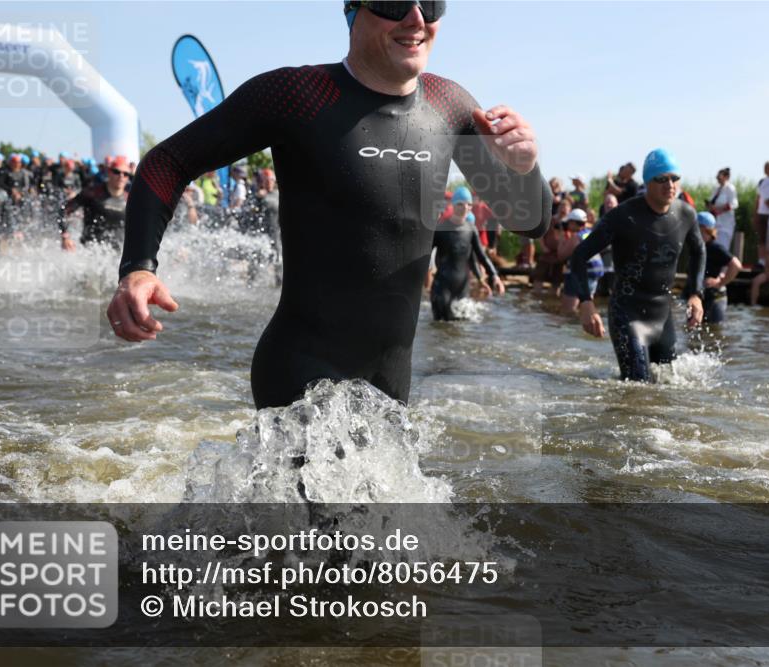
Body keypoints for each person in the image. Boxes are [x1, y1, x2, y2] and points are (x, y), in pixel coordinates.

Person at [109, 0, 550, 409]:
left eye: (430, 3)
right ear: (352, 10)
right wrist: (139, 267)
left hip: (391, 385)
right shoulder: (297, 95)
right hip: (299, 373)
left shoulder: (449, 105)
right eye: (394, 1)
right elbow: (167, 161)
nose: (416, 18)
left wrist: (524, 167)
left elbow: (530, 222)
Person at [572, 148, 705, 382]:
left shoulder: (686, 214)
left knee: (668, 388)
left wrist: (696, 293)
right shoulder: (623, 216)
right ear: (647, 182)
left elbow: (699, 250)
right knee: (636, 389)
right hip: (628, 314)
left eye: (674, 178)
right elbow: (579, 256)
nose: (670, 185)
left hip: (663, 317)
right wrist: (586, 303)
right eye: (661, 179)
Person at [430, 187, 503, 320]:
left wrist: (494, 276)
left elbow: (481, 256)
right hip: (442, 287)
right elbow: (424, 255)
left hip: (462, 288)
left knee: (461, 330)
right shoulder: (441, 229)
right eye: (460, 204)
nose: (465, 207)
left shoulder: (471, 229)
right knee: (440, 328)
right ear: (453, 205)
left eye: (469, 204)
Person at [60, 155, 132, 250]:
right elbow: (63, 210)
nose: (121, 176)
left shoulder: (130, 200)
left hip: (118, 255)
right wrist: (65, 236)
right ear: (109, 172)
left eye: (125, 174)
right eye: (117, 172)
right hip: (91, 251)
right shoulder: (92, 193)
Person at [696, 212, 741, 324]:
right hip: (701, 295)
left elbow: (736, 265)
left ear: (705, 229)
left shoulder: (715, 247)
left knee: (714, 331)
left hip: (715, 298)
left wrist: (720, 282)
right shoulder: (699, 247)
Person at [556, 208, 602, 315]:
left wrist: (562, 239)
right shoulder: (589, 233)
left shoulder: (576, 237)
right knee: (586, 308)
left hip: (579, 274)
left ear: (573, 223)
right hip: (594, 273)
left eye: (569, 223)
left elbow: (561, 255)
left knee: (568, 312)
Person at [706, 167, 738, 252]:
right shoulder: (716, 189)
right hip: (715, 223)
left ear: (726, 177)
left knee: (723, 248)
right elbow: (711, 202)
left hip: (726, 224)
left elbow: (734, 204)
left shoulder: (730, 188)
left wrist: (719, 209)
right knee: (714, 247)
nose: (718, 179)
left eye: (719, 177)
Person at [754, 161, 769, 267]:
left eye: (768, 167)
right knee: (761, 238)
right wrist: (755, 213)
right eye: (765, 167)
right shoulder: (762, 181)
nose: (765, 169)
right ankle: (761, 260)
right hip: (761, 212)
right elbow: (758, 198)